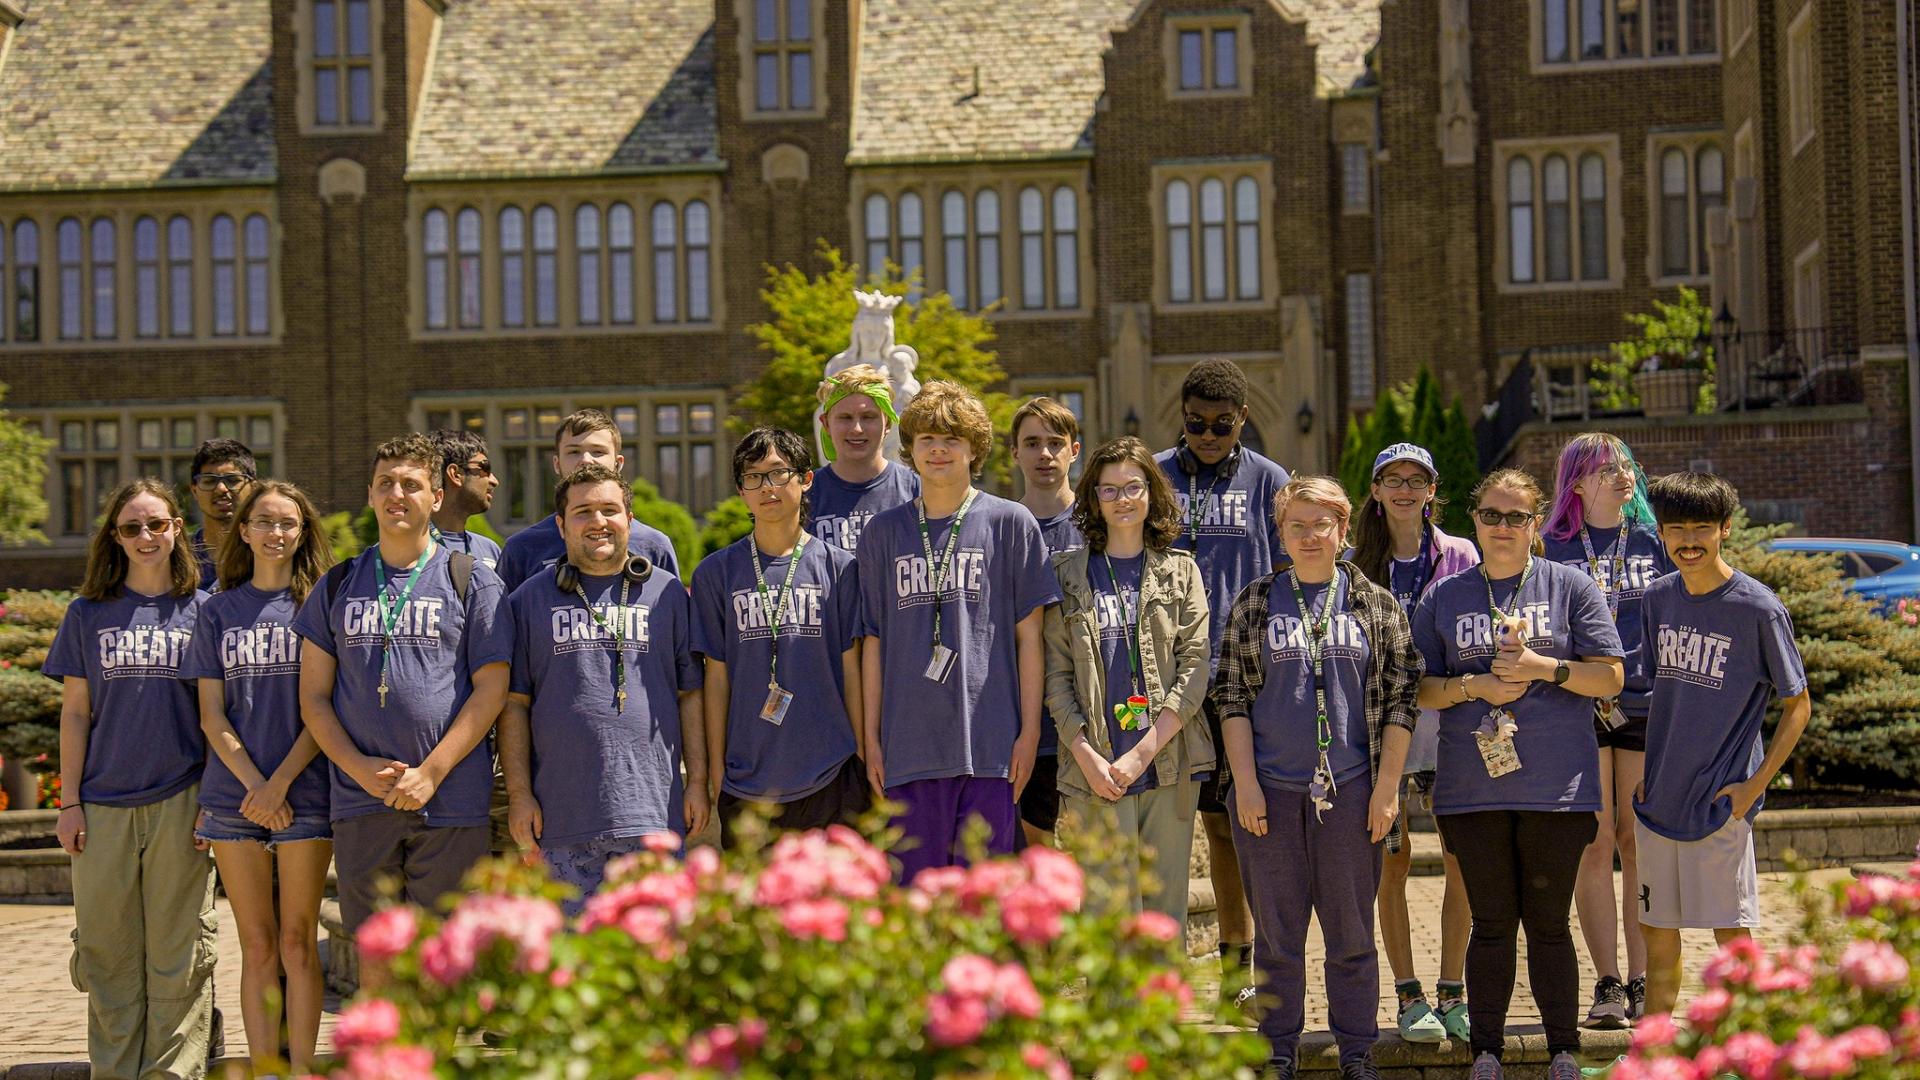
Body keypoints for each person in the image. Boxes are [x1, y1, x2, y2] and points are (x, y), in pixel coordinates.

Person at [1411, 469, 1626, 1080]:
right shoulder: (1444, 596)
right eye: (1490, 516)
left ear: (1536, 525)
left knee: (1549, 922)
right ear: (1473, 520)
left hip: (1557, 789)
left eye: (1516, 517)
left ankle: (1563, 1049)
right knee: (1492, 921)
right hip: (1471, 790)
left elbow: (1609, 678)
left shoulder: (1570, 586)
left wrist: (1544, 668)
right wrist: (1469, 687)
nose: (1502, 527)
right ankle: (1486, 1052)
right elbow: (1419, 689)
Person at [1215, 476, 1421, 1080]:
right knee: (1277, 935)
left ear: (1343, 530)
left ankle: (1357, 1050)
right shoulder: (1256, 602)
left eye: (1321, 524)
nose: (1309, 536)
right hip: (1270, 792)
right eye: (1296, 525)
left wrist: (1387, 791)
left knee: (1352, 931)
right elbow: (1230, 698)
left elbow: (1402, 700)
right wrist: (1245, 784)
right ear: (1280, 533)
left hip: (1354, 789)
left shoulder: (1373, 604)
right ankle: (1278, 1049)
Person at [294, 434, 513, 937]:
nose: (397, 494)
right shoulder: (337, 584)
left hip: (450, 800)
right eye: (385, 483)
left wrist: (432, 773)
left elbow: (491, 692)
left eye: (411, 484)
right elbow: (313, 698)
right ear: (370, 494)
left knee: (448, 958)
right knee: (377, 958)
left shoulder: (472, 580)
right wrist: (357, 768)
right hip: (361, 800)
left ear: (436, 497)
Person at [46, 479, 215, 1077]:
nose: (146, 537)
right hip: (102, 807)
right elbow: (73, 713)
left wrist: (212, 803)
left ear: (176, 529)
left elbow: (220, 719)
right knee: (106, 954)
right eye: (131, 527)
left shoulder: (205, 611)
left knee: (179, 956)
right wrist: (69, 803)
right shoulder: (88, 614)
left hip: (182, 798)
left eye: (157, 524)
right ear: (114, 538)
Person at [858, 381, 1059, 881]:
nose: (939, 449)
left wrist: (1029, 732)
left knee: (984, 906)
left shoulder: (1010, 523)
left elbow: (1029, 639)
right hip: (907, 750)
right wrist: (872, 740)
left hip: (989, 747)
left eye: (951, 439)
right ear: (910, 451)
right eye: (926, 439)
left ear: (974, 449)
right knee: (916, 908)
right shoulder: (881, 534)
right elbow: (873, 644)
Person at [1635, 472, 1809, 1015]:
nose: (1689, 540)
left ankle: (1745, 1051)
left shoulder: (1758, 608)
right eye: (1676, 529)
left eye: (1702, 528)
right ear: (1661, 534)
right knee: (1658, 940)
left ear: (1725, 529)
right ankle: (1656, 1058)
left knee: (1732, 945)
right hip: (1658, 801)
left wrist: (1753, 787)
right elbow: (1662, 694)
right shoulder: (1658, 598)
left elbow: (1797, 704)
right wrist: (1649, 771)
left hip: (1721, 804)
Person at [502, 463, 707, 908]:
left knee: (656, 963)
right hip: (560, 823)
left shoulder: (669, 595)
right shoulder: (526, 602)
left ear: (630, 520)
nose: (598, 522)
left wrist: (698, 783)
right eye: (583, 512)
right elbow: (513, 705)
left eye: (610, 510)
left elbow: (690, 694)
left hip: (653, 815)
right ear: (560, 524)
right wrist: (519, 795)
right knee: (571, 969)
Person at [184, 480, 335, 1073]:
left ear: (303, 532)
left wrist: (279, 785)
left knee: (298, 943)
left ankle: (301, 1069)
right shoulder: (216, 609)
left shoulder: (319, 605)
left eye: (288, 523)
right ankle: (266, 1068)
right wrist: (254, 786)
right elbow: (210, 713)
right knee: (257, 946)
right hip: (233, 799)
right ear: (243, 531)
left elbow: (324, 705)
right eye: (264, 522)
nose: (277, 533)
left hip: (305, 792)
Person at [1154, 357, 1290, 1016]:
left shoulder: (1270, 481)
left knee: (1249, 820)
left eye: (1221, 425)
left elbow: (1293, 570)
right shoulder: (1156, 475)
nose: (1207, 436)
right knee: (1204, 821)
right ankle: (1218, 960)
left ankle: (1260, 959)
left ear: (1242, 421)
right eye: (1196, 424)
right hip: (1169, 674)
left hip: (1248, 674)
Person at [1043, 436, 1211, 919]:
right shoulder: (1067, 574)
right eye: (1109, 490)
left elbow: (1195, 665)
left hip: (1166, 765)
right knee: (1108, 918)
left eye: (1133, 487)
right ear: (1093, 498)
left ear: (1151, 494)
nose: (1122, 500)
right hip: (1093, 767)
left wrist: (1142, 753)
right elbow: (1057, 676)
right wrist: (1087, 756)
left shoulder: (1182, 571)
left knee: (1164, 919)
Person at [1347, 443, 1480, 1044]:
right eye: (1391, 480)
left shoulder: (1460, 555)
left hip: (1454, 732)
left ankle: (1453, 988)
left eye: (1416, 480)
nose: (1404, 490)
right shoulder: (1352, 564)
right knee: (1390, 865)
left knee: (1462, 863)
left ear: (1432, 491)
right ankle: (1408, 993)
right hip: (1383, 740)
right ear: (1374, 491)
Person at [1541, 432, 1676, 1027]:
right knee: (1594, 842)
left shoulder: (1656, 539)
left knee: (1636, 839)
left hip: (1647, 705)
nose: (1622, 475)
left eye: (1624, 465)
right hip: (1578, 706)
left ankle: (1645, 980)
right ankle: (1607, 984)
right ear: (1576, 483)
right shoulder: (1551, 546)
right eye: (1604, 469)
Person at [692, 428, 867, 847]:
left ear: (805, 480)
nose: (766, 488)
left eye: (777, 473)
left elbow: (852, 671)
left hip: (832, 772)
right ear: (741, 491)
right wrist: (718, 772)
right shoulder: (715, 574)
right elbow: (716, 679)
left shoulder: (840, 568)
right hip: (748, 780)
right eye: (753, 478)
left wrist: (861, 755)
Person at [496, 409, 681, 590]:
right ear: (557, 463)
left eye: (598, 452)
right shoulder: (522, 548)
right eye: (574, 451)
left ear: (618, 463)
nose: (586, 460)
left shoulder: (654, 545)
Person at [1012, 397, 1085, 847]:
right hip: (1024, 722)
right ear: (1014, 452)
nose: (1044, 454)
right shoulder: (999, 525)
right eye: (1032, 443)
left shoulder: (1096, 526)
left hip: (1088, 719)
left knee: (1088, 860)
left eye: (1055, 443)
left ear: (1074, 451)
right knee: (1032, 855)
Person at [809, 364, 921, 554]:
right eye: (845, 418)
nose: (857, 429)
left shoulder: (916, 490)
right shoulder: (805, 496)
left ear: (887, 422)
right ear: (826, 423)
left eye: (868, 417)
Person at [426, 428, 504, 571]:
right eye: (485, 468)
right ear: (455, 474)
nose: (494, 481)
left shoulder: (490, 550)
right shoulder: (410, 549)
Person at [188, 438, 257, 592]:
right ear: (194, 490)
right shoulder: (177, 557)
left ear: (253, 489)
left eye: (232, 480)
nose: (221, 489)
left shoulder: (267, 552)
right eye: (209, 481)